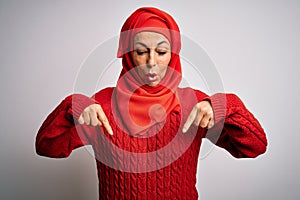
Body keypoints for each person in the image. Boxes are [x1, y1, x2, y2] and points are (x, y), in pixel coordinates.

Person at [36, 7, 267, 200]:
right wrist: (72, 108)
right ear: (127, 53)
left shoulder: (194, 104)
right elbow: (47, 147)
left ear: (173, 53)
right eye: (141, 51)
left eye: (162, 51)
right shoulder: (101, 107)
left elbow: (255, 146)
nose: (151, 62)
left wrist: (223, 105)